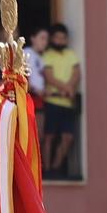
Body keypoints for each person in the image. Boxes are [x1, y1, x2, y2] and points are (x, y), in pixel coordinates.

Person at [40, 24, 81, 178]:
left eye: (63, 38)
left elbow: (77, 73)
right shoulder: (47, 55)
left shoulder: (71, 55)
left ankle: (56, 168)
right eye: (57, 37)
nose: (60, 40)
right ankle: (46, 170)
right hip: (52, 101)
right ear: (52, 39)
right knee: (49, 136)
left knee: (68, 137)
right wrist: (67, 88)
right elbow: (49, 76)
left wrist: (69, 88)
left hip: (67, 103)